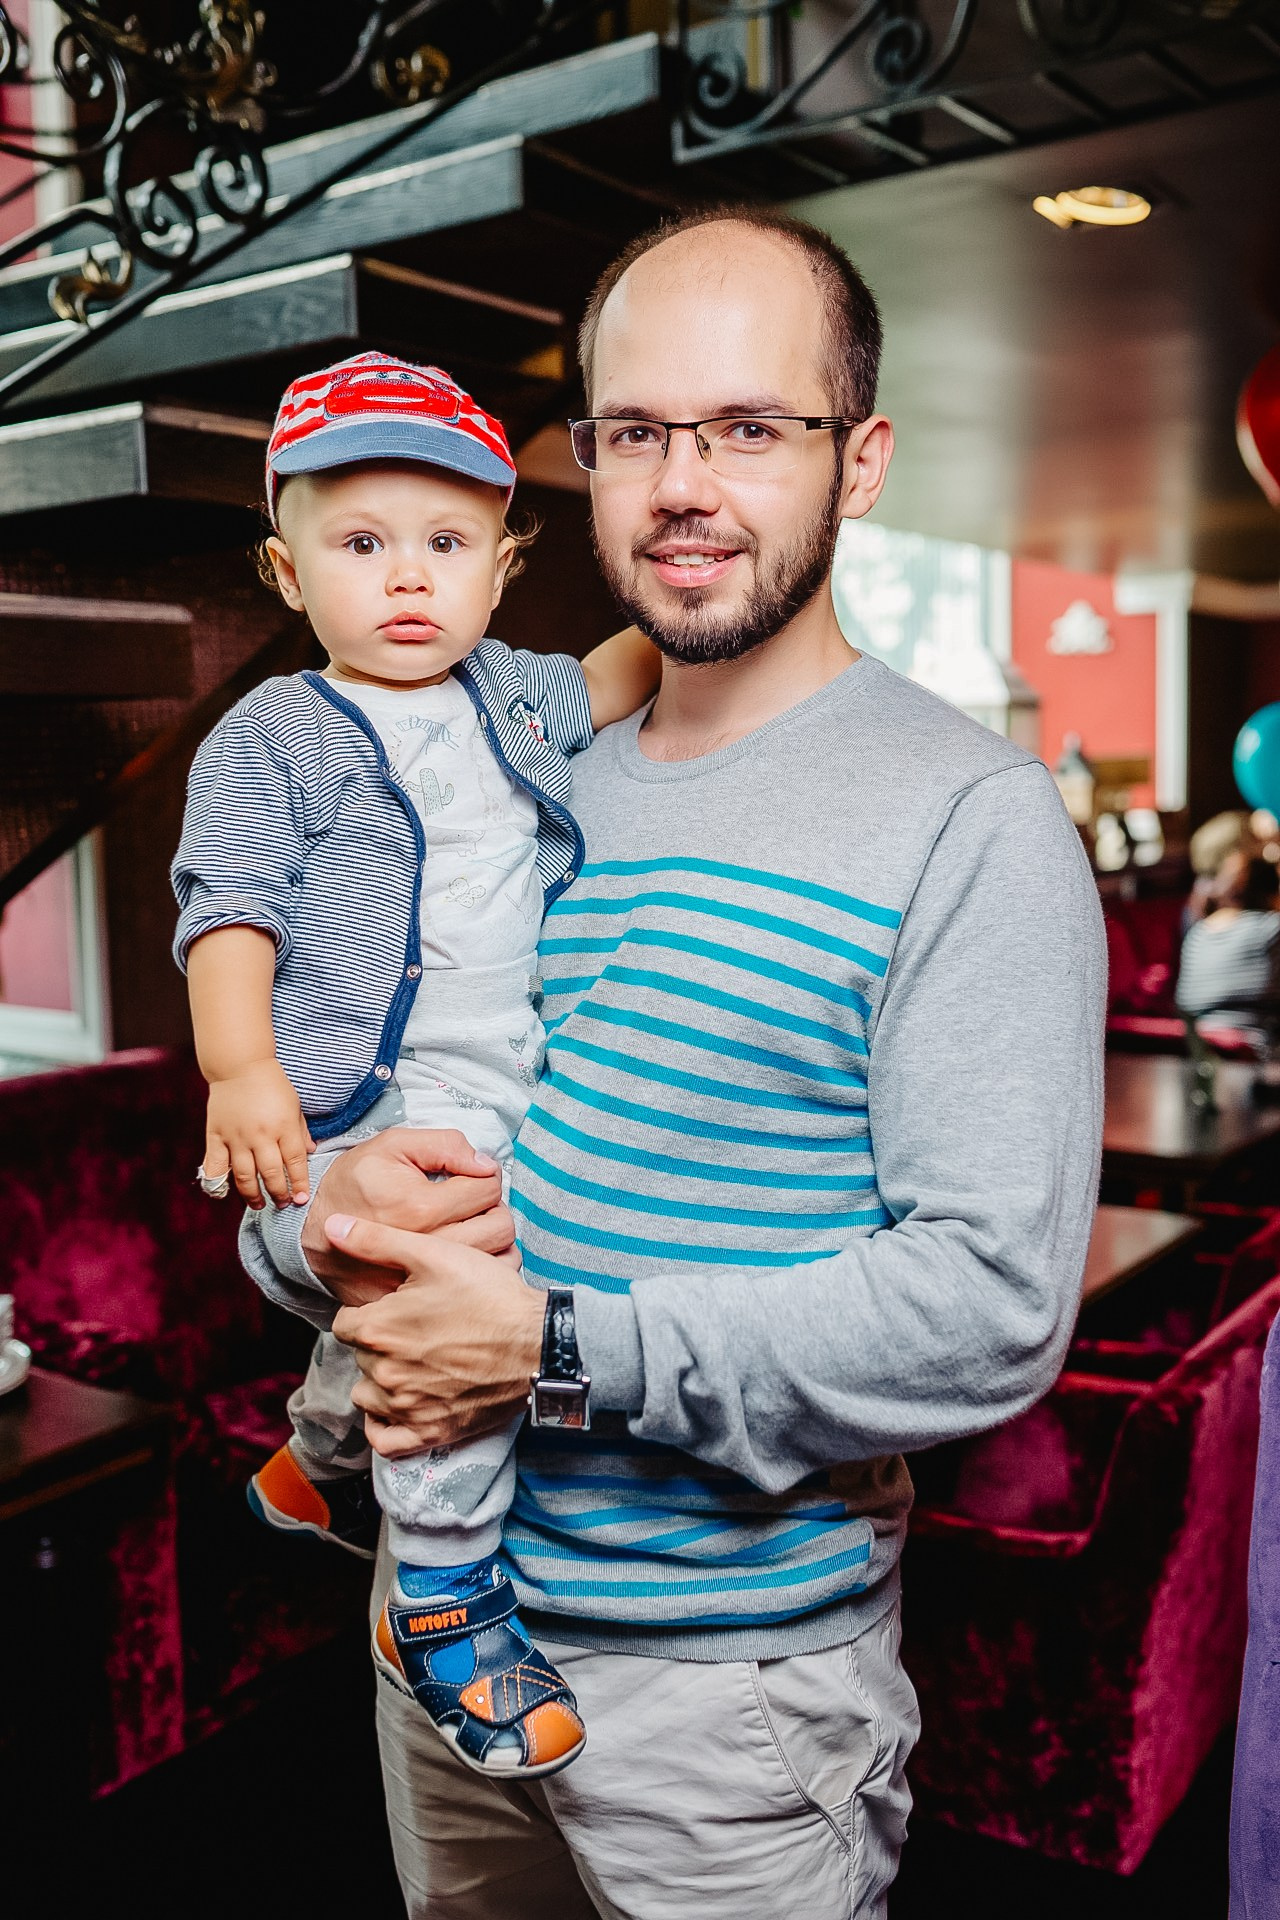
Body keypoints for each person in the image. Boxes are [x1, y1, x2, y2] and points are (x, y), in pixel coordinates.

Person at [240, 209, 1107, 1918]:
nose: (682, 483)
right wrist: (321, 1215)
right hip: (438, 1626)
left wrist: (550, 1353)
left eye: (747, 428)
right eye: (634, 430)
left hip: (734, 1708)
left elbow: (991, 1305)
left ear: (856, 462)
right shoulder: (482, 775)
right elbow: (294, 1178)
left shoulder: (968, 819)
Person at [172, 350, 660, 1779]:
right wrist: (240, 1070)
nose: (407, 580)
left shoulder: (511, 695)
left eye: (445, 546)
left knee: (425, 1302)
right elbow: (231, 910)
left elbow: (614, 679)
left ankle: (315, 1461)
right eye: (361, 543)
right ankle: (441, 1593)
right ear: (285, 570)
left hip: (499, 1093)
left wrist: (697, 616)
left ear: (502, 570)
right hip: (348, 1110)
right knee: (430, 1289)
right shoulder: (279, 734)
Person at [1177, 850, 1280, 1043]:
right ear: (1272, 893)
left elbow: (1185, 1001)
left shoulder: (1198, 932)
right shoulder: (1272, 928)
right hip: (1258, 1045)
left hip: (1201, 1046)